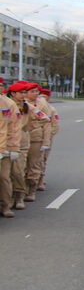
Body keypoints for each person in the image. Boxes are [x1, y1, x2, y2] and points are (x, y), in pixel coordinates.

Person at [23, 83, 51, 203]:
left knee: (34, 164)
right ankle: (22, 189)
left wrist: (46, 140)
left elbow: (47, 123)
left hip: (36, 138)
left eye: (36, 91)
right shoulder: (20, 103)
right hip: (22, 138)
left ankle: (31, 190)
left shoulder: (42, 104)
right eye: (32, 91)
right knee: (21, 166)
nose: (35, 94)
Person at [0, 78, 21, 217]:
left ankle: (6, 206)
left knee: (3, 178)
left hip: (4, 148)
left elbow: (14, 127)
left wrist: (13, 148)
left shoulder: (8, 104)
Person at [8, 82, 30, 211]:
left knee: (18, 172)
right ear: (13, 93)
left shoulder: (27, 106)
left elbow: (43, 117)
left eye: (24, 92)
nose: (23, 95)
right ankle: (8, 198)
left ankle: (19, 196)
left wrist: (27, 130)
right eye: (21, 92)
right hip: (6, 143)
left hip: (20, 144)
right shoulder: (7, 105)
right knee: (6, 174)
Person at [36, 88, 58, 191]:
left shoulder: (52, 109)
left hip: (46, 138)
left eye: (45, 97)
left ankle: (40, 180)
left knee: (42, 160)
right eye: (41, 96)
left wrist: (48, 136)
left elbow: (54, 125)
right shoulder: (34, 106)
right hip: (34, 138)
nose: (43, 99)